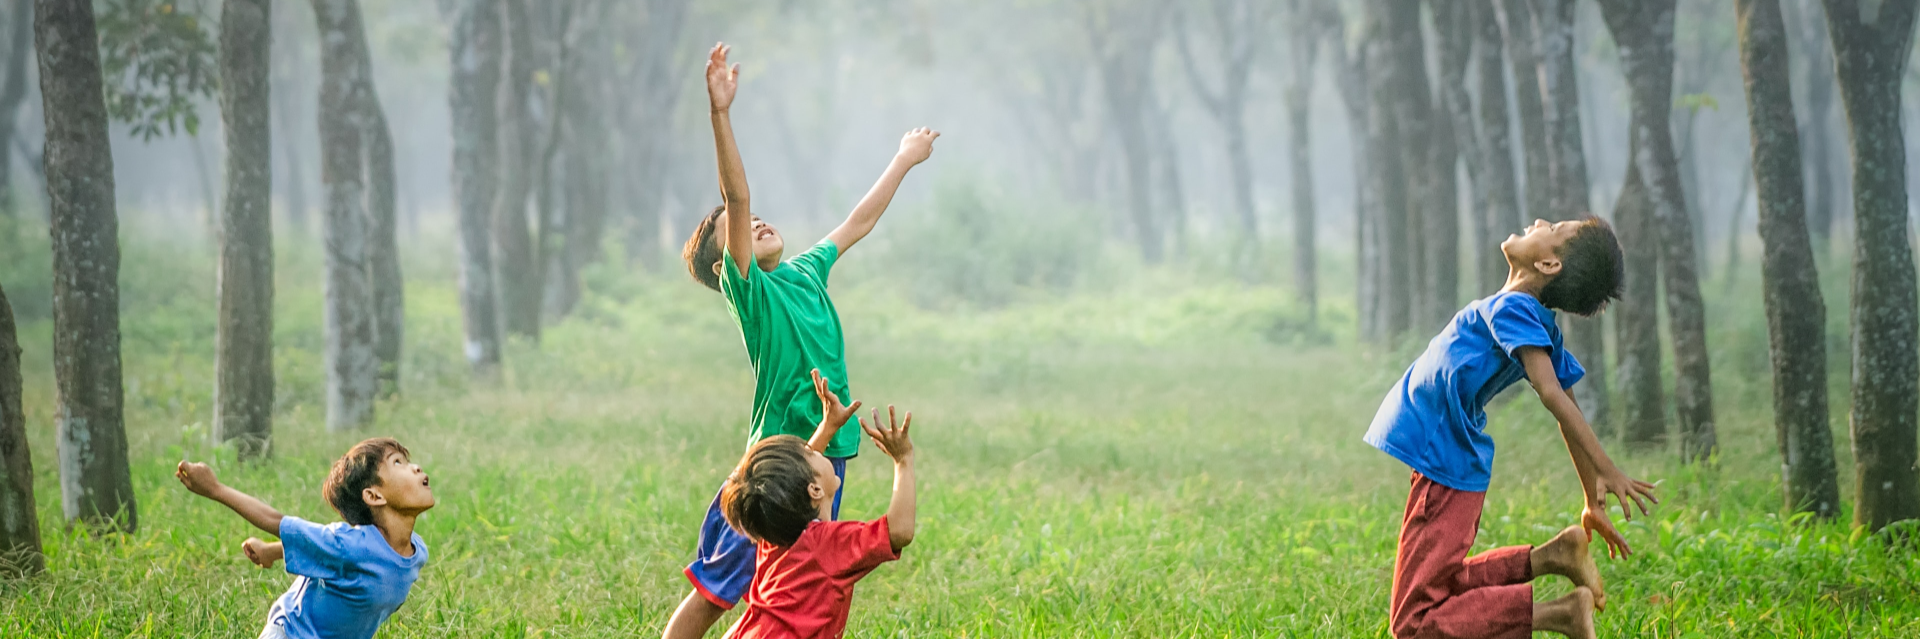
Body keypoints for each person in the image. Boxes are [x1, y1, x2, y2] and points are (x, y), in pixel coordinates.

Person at [665, 41, 938, 639]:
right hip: (776, 466)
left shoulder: (806, 270)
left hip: (825, 454)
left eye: (757, 222)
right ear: (725, 263)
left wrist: (903, 159)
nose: (755, 223)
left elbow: (858, 221)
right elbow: (739, 197)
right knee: (721, 587)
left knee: (806, 583)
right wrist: (720, 114)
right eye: (733, 230)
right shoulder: (751, 293)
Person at [1363, 217, 1659, 639]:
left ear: (1549, 265)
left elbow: (1554, 395)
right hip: (1444, 461)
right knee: (1442, 586)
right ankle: (1555, 555)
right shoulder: (1530, 317)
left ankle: (1560, 615)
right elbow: (1567, 406)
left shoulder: (1515, 310)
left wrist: (1606, 468)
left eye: (1553, 228)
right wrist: (1592, 498)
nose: (1540, 221)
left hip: (1444, 464)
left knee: (1414, 623)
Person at [719, 371, 916, 639]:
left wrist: (828, 426)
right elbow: (899, 531)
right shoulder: (827, 544)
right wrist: (903, 461)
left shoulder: (775, 533)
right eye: (812, 452)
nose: (817, 449)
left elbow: (794, 481)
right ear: (813, 490)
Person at [174, 438, 434, 639]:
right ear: (374, 496)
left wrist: (271, 551)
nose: (416, 467)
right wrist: (215, 489)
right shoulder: (350, 545)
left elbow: (326, 556)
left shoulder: (416, 552)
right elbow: (277, 522)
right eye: (398, 463)